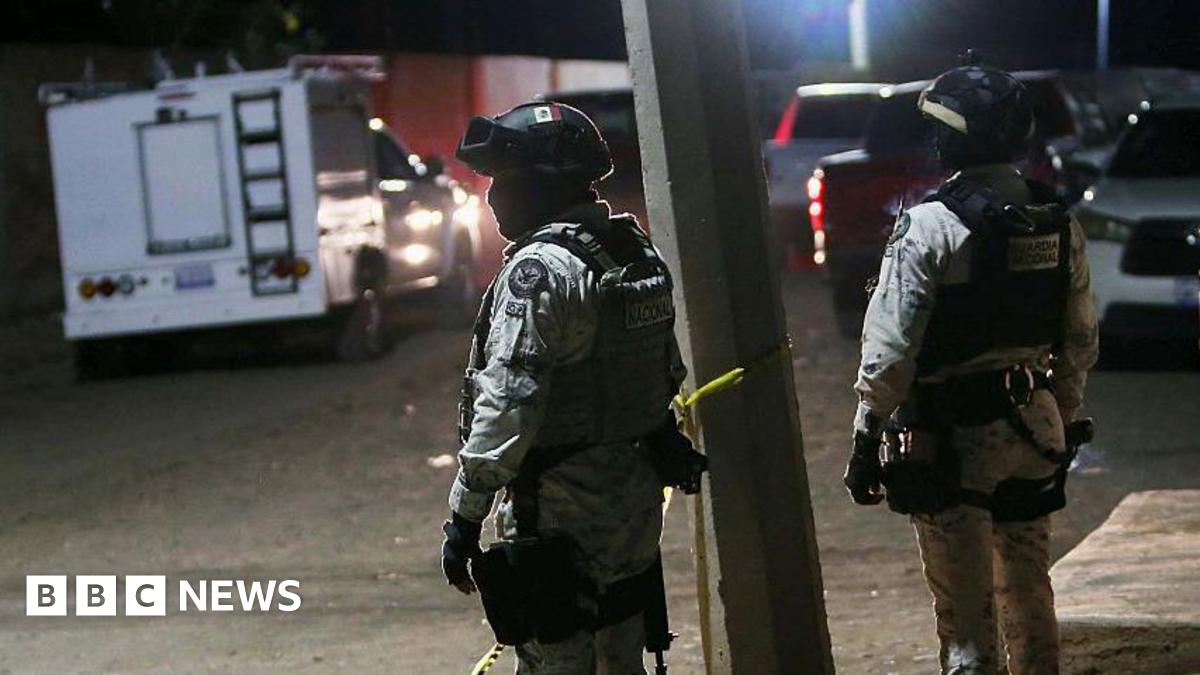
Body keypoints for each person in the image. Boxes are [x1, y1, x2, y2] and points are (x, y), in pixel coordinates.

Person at [843, 59, 1099, 675]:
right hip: (1034, 426)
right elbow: (1080, 337)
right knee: (1030, 589)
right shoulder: (1056, 220)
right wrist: (1060, 417)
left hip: (952, 437)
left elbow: (891, 350)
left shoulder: (930, 226)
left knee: (967, 620)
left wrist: (865, 436)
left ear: (950, 138)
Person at [440, 101, 704, 674]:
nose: (493, 197)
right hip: (629, 500)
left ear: (542, 180)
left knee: (556, 660)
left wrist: (464, 517)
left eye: (504, 180)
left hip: (558, 513)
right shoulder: (630, 251)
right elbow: (662, 372)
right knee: (620, 655)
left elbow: (507, 407)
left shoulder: (541, 271)